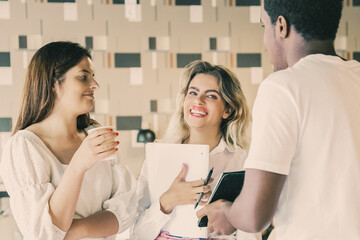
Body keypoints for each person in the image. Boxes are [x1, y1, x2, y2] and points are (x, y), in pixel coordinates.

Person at [196, 0, 360, 239]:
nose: (265, 41)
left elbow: (254, 215)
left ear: (281, 26)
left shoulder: (283, 87)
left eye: (264, 26)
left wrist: (227, 212)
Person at [0, 41, 137, 240]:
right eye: (83, 77)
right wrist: (78, 164)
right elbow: (44, 234)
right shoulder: (24, 147)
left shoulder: (96, 137)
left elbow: (125, 213)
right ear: (54, 84)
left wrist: (71, 232)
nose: (95, 85)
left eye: (93, 77)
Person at [131, 60, 262, 240]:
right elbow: (136, 235)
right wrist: (167, 201)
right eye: (192, 93)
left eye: (211, 96)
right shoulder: (158, 157)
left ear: (228, 110)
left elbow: (251, 232)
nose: (198, 101)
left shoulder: (242, 162)